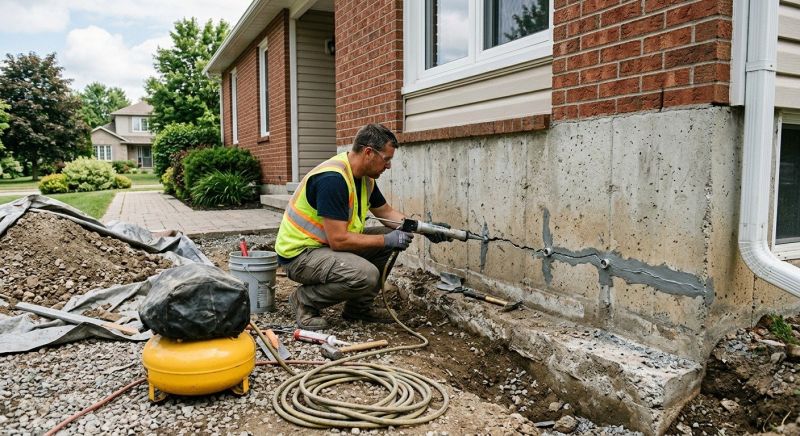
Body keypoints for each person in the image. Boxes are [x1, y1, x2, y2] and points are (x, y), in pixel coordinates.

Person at [275, 123, 449, 330]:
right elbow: (339, 241)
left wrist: (424, 228)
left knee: (390, 234)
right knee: (366, 274)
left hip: (324, 247)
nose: (389, 166)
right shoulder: (333, 180)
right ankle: (304, 300)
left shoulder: (365, 179)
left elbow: (386, 213)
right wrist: (386, 240)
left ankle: (359, 309)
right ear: (368, 152)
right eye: (386, 159)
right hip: (300, 255)